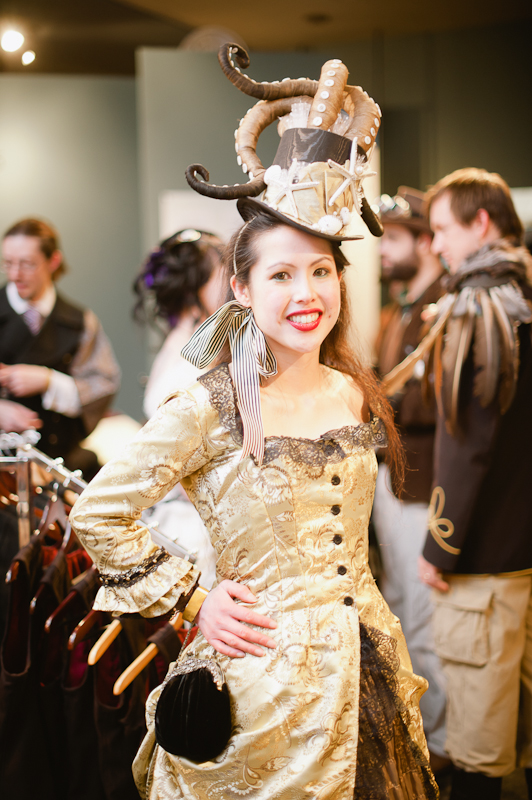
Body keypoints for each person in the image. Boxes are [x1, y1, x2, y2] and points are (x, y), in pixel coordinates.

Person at [71, 47, 438, 799]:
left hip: (365, 673)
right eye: (280, 273)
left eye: (321, 270)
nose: (306, 292)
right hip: (260, 700)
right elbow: (99, 512)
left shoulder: (350, 391)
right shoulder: (212, 403)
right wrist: (196, 598)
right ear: (240, 288)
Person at [395, 168, 532, 799]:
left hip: (480, 558)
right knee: (518, 728)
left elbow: (467, 446)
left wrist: (439, 544)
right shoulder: (521, 298)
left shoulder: (480, 311)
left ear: (481, 224)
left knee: (478, 750)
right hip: (520, 549)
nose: (436, 244)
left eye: (444, 229)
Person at [372, 187, 448, 770]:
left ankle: (444, 746)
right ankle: (421, 736)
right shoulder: (400, 307)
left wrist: (369, 401)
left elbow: (432, 401)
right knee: (399, 607)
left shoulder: (442, 307)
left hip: (423, 485)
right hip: (393, 479)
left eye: (394, 239)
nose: (382, 250)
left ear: (426, 242)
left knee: (422, 618)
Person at [133, 228, 225, 588]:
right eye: (222, 275)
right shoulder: (194, 359)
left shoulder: (183, 340)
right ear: (194, 289)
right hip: (194, 519)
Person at [0, 218, 121, 476]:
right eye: (8, 264)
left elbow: (105, 383)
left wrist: (49, 381)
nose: (14, 275)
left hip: (62, 464)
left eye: (27, 264)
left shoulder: (80, 322)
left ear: (53, 261)